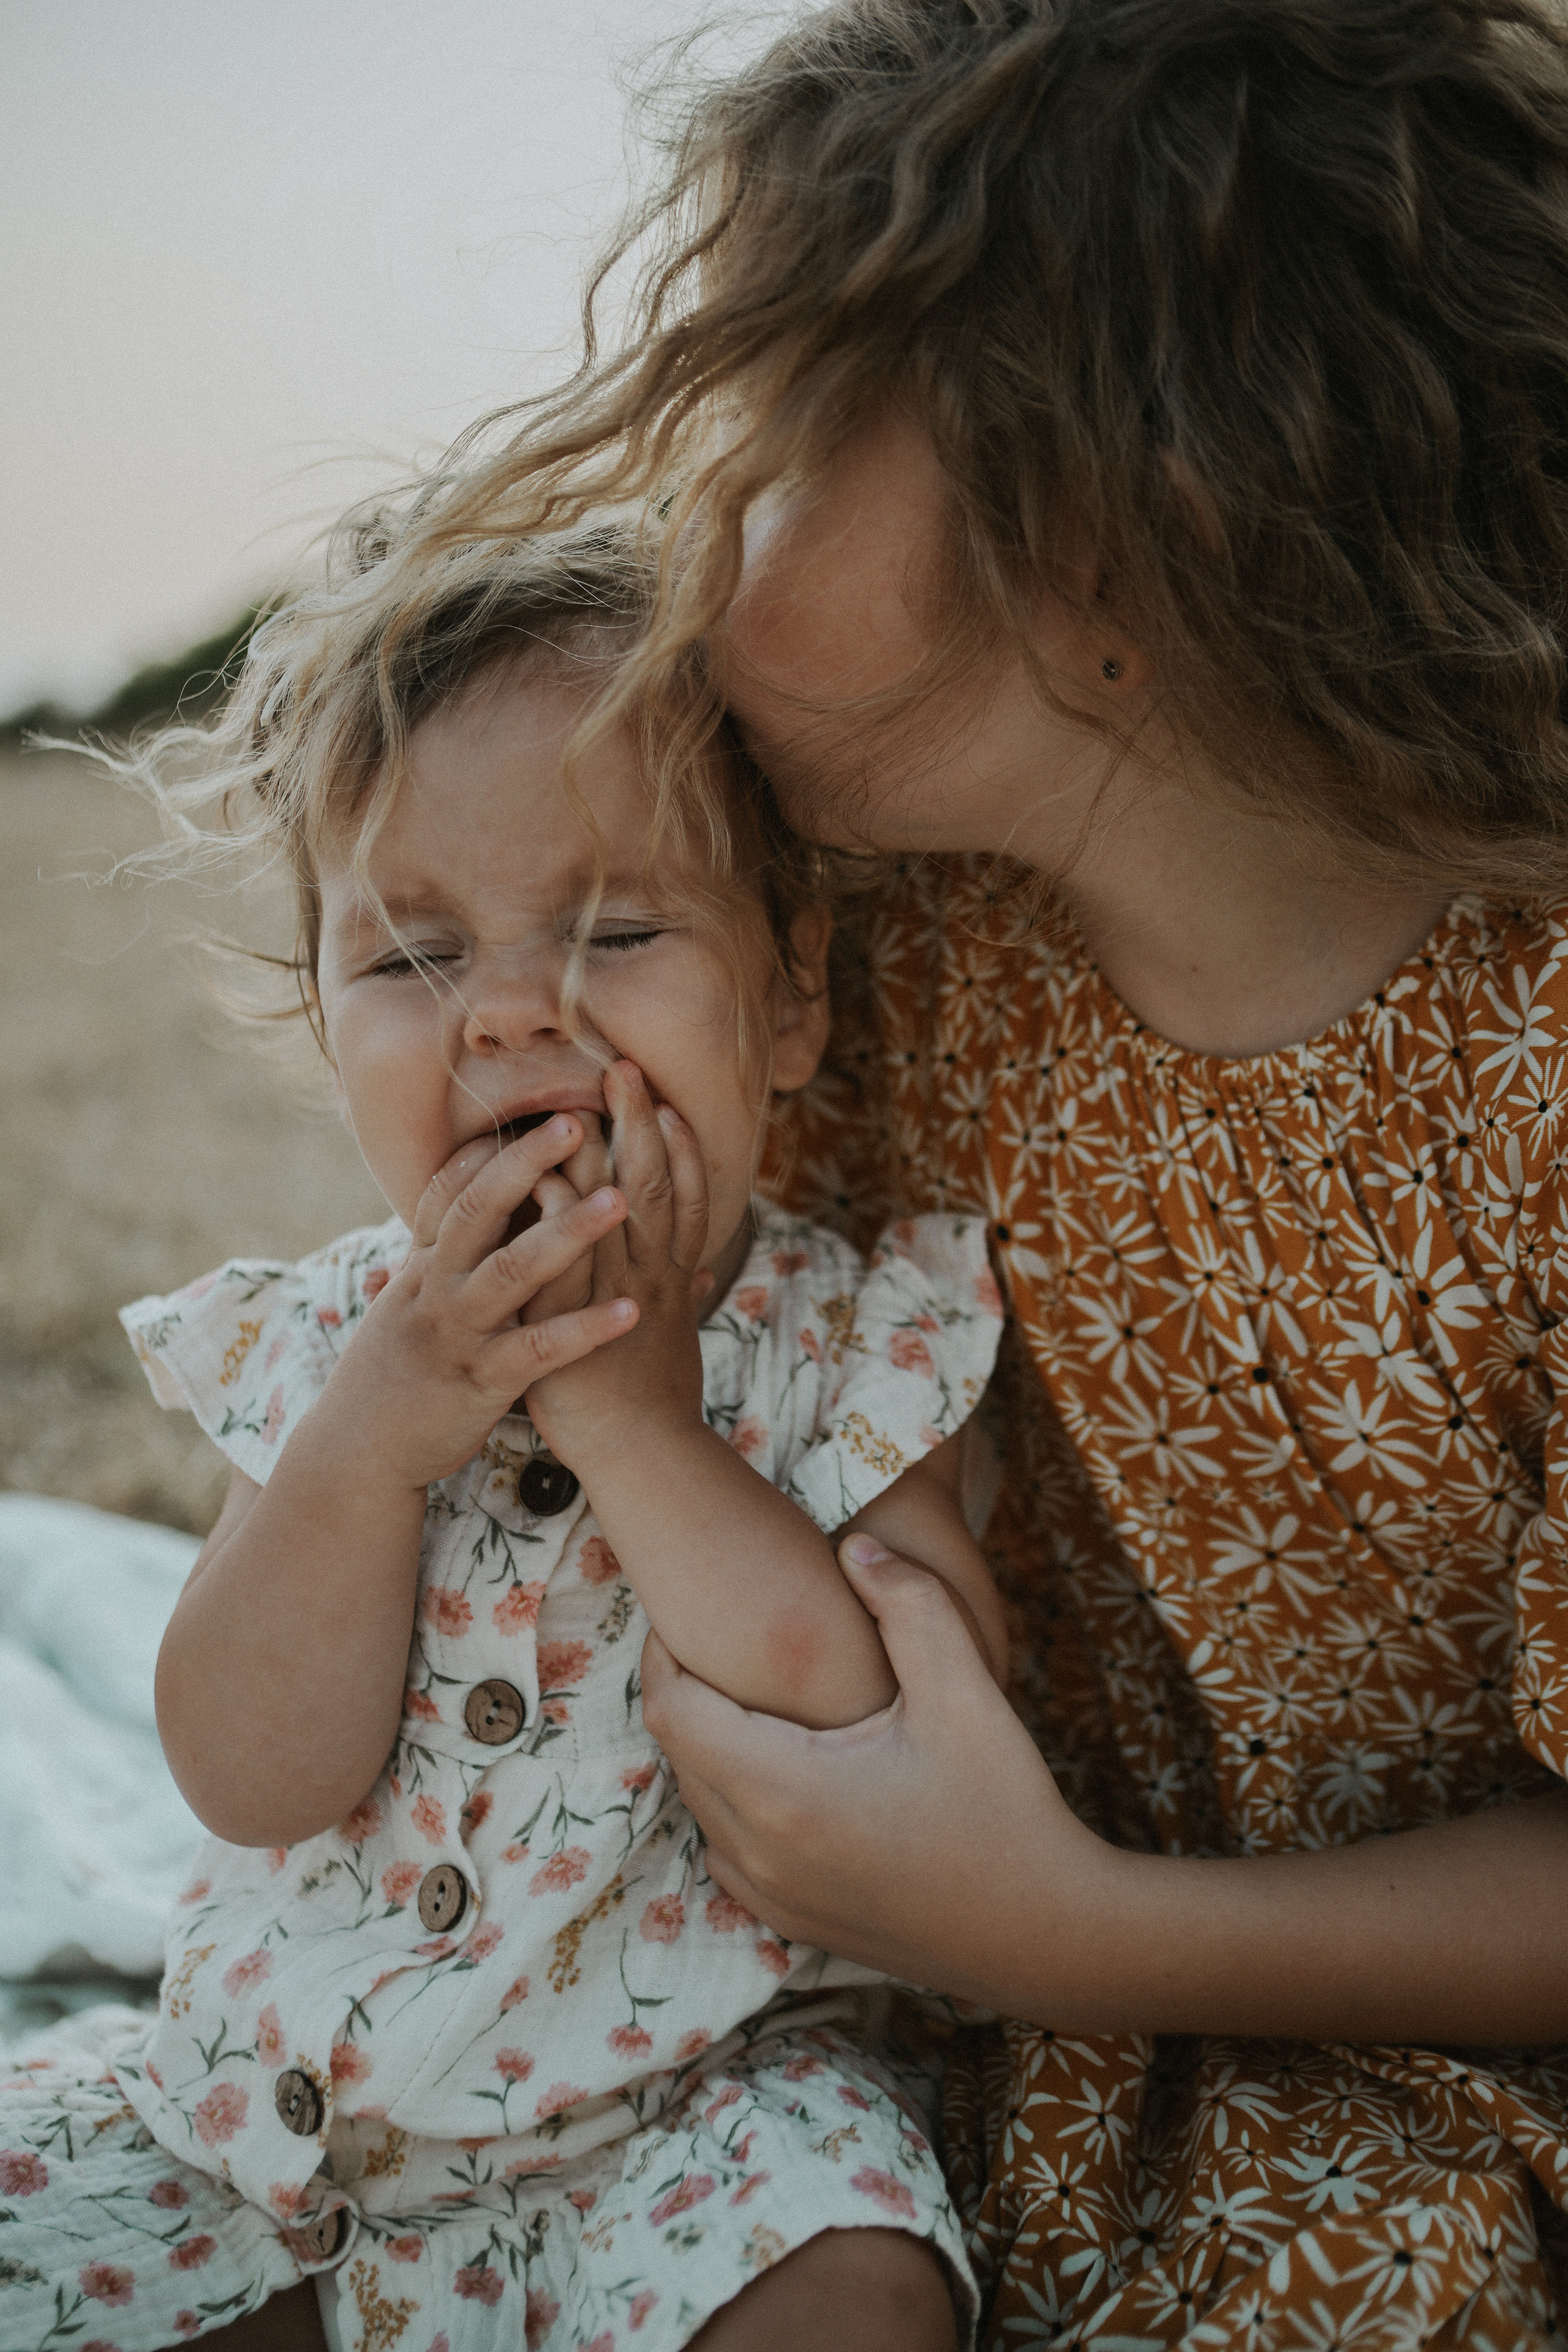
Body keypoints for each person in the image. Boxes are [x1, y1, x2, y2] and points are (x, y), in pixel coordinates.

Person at [398, 0, 1568, 2341]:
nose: (698, 528)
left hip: (1410, 2047)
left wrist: (1063, 1932)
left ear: (1134, 526)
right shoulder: (885, 957)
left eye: (791, 434)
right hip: (892, 1991)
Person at [0, 530, 1010, 2351]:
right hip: (282, 2143)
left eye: (616, 930)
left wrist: (641, 1423)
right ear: (325, 1020)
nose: (507, 1009)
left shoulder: (857, 1336)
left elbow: (875, 1715)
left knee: (861, 2288)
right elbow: (245, 1770)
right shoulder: (321, 1355)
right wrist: (367, 1450)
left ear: (791, 1002)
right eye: (411, 955)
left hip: (701, 2133)